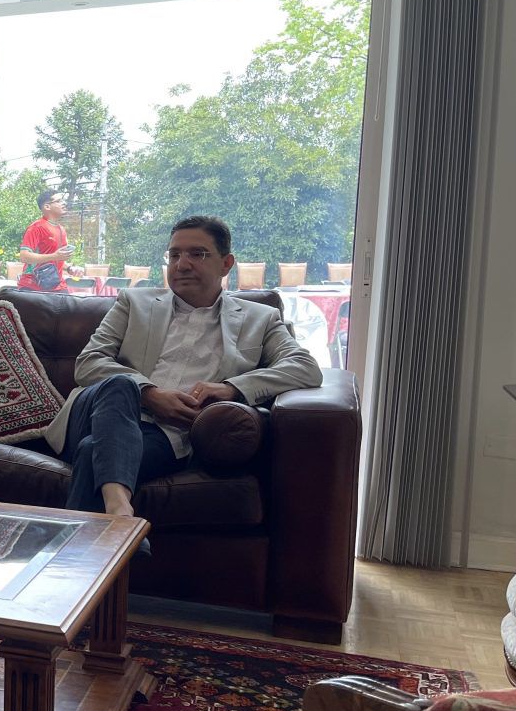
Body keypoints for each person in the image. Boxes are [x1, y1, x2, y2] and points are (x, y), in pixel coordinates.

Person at [41, 214, 322, 521]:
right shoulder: (133, 303)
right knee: (122, 384)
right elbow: (89, 362)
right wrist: (148, 394)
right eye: (174, 255)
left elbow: (304, 366)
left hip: (168, 436)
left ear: (226, 263)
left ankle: (115, 520)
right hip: (95, 413)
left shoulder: (260, 318)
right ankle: (122, 517)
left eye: (197, 254)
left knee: (91, 451)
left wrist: (232, 388)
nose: (181, 264)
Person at [18, 189, 77, 291]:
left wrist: (69, 268)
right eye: (58, 201)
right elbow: (24, 256)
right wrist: (54, 256)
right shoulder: (36, 227)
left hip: (57, 286)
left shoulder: (61, 229)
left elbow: (55, 259)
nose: (63, 203)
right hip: (33, 287)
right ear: (47, 207)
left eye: (63, 200)